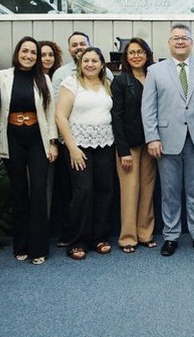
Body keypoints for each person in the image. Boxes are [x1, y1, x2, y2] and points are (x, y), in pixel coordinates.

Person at [142, 24, 194, 257]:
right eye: (175, 38)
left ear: (191, 42)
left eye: (184, 38)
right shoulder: (155, 71)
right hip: (166, 141)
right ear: (169, 43)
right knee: (170, 192)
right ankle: (171, 236)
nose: (180, 41)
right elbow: (148, 108)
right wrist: (152, 137)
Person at [0, 37, 58, 265]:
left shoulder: (44, 79)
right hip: (12, 139)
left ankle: (38, 247)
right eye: (25, 51)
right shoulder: (3, 76)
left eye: (33, 52)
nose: (29, 56)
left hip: (37, 140)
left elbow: (50, 112)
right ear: (17, 53)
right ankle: (20, 244)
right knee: (19, 191)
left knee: (39, 191)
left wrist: (52, 142)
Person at [55, 47, 116, 260]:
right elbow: (60, 116)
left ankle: (99, 238)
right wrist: (72, 148)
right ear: (80, 64)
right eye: (86, 60)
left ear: (102, 64)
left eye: (94, 60)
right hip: (79, 146)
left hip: (105, 144)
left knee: (104, 191)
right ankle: (77, 241)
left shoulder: (108, 84)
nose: (90, 64)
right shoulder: (71, 83)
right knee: (83, 192)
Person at [111, 38, 157, 253]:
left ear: (147, 55)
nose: (136, 56)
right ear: (126, 57)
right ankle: (128, 237)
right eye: (131, 52)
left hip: (151, 144)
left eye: (140, 52)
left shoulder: (154, 77)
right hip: (129, 146)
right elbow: (116, 117)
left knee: (148, 190)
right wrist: (123, 151)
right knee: (130, 191)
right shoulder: (120, 81)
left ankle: (145, 234)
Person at [50, 31, 90, 246]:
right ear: (69, 49)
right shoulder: (61, 74)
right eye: (74, 45)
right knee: (71, 191)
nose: (79, 47)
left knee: (91, 189)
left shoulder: (104, 72)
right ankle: (70, 235)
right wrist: (58, 142)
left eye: (82, 43)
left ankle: (92, 234)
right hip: (69, 141)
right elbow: (58, 111)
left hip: (98, 140)